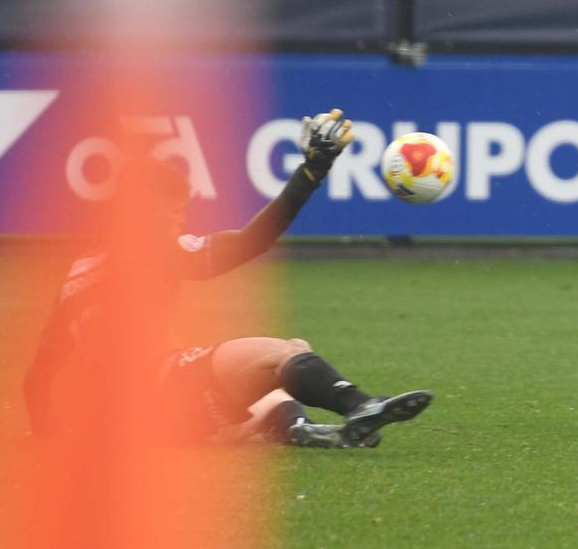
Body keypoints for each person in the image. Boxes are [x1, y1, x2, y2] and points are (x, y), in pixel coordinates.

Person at [24, 109, 432, 448]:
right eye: (175, 214)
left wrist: (50, 436)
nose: (181, 223)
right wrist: (313, 170)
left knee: (277, 378)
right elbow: (251, 242)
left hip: (129, 420)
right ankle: (360, 405)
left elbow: (36, 379)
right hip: (161, 394)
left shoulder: (77, 273)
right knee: (282, 353)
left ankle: (296, 429)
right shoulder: (148, 249)